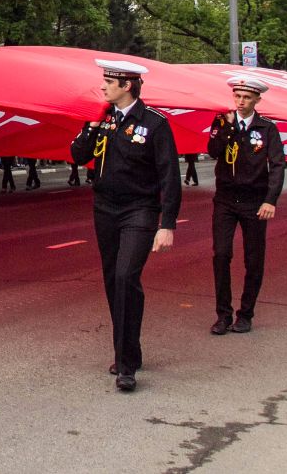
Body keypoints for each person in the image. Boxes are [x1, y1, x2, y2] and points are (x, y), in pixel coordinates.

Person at [69, 59, 180, 393]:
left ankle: (126, 366)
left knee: (126, 276)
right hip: (105, 209)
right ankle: (128, 348)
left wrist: (168, 223)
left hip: (140, 210)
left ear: (127, 86)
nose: (103, 87)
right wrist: (90, 125)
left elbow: (170, 177)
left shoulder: (155, 124)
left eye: (109, 82)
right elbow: (77, 155)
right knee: (113, 281)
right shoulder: (102, 120)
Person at [205, 76, 284, 335]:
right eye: (237, 96)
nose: (241, 101)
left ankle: (246, 313)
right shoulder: (222, 122)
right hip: (226, 199)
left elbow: (278, 165)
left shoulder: (267, 128)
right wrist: (227, 127)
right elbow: (214, 150)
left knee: (254, 259)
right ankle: (223, 315)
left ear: (257, 100)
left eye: (247, 97)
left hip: (254, 201)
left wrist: (270, 200)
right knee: (221, 254)